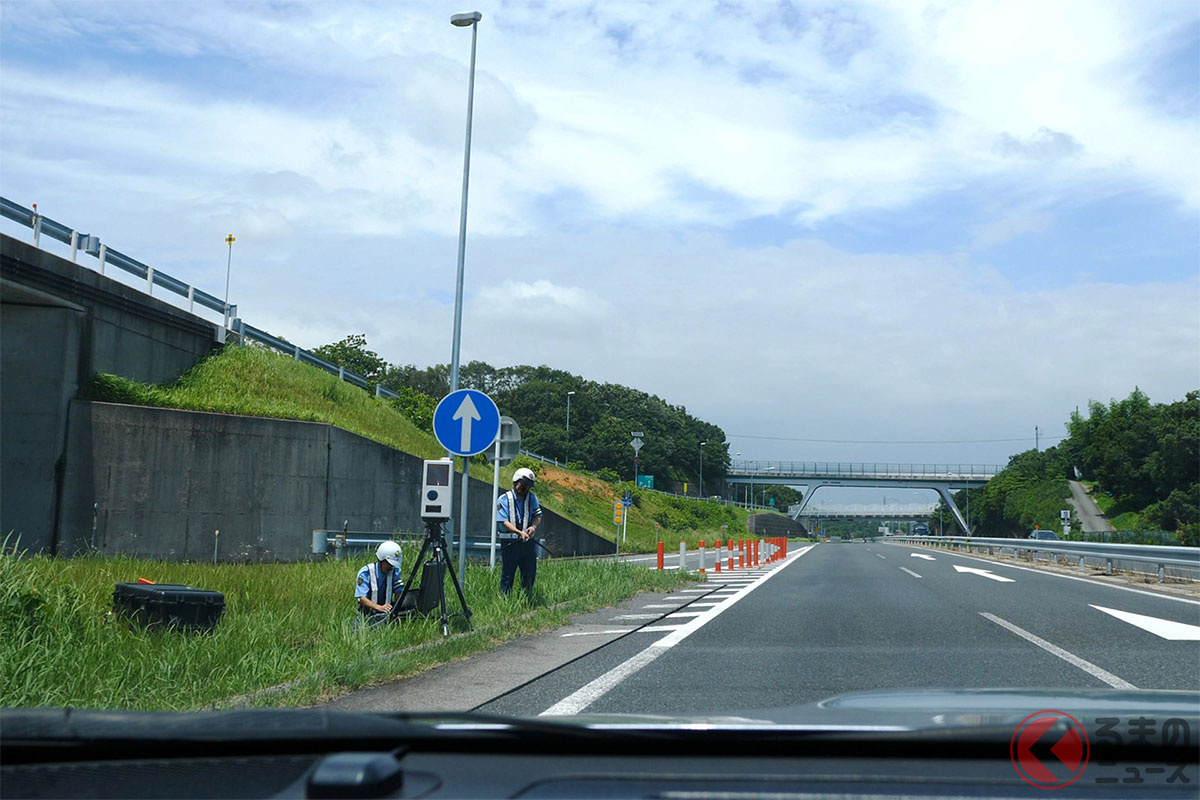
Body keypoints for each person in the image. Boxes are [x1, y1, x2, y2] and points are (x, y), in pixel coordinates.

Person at [496, 467, 543, 598]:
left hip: (527, 542)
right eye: (523, 484)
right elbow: (503, 521)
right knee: (508, 574)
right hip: (510, 543)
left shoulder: (532, 498)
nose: (525, 488)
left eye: (528, 485)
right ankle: (505, 600)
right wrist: (518, 532)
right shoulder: (503, 499)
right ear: (516, 481)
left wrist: (533, 527)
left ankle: (526, 598)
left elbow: (538, 515)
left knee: (529, 573)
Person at [354, 540, 404, 628]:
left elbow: (398, 592)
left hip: (387, 614)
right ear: (381, 560)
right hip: (367, 615)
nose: (391, 567)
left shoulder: (395, 571)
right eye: (389, 564)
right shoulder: (366, 573)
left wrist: (397, 609)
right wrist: (379, 607)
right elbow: (362, 598)